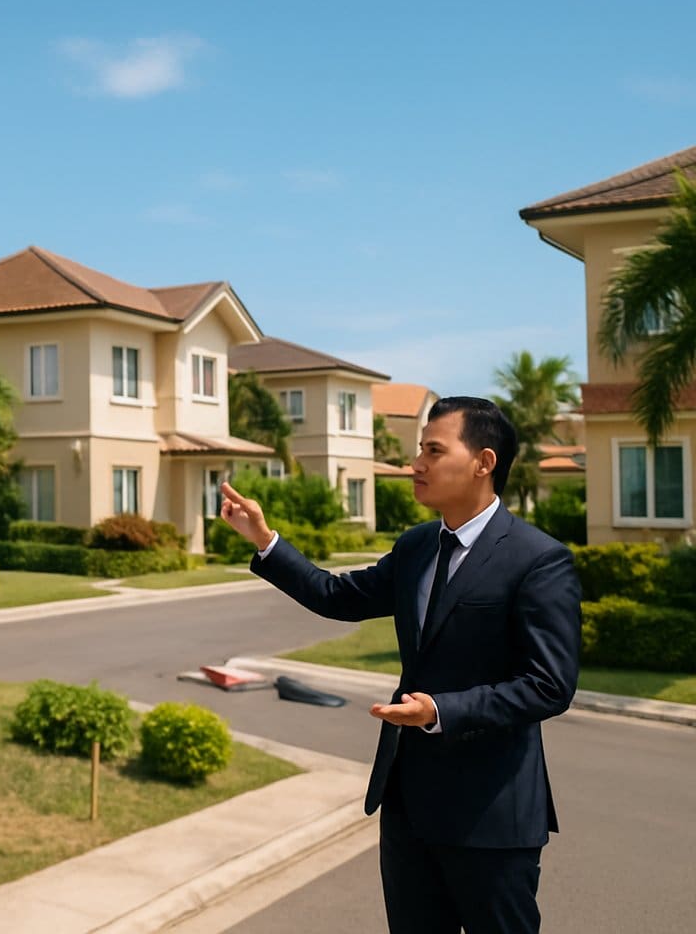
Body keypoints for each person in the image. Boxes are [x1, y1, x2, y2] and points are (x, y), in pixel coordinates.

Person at [218, 396, 580, 934]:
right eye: (419, 451)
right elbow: (338, 596)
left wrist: (442, 710)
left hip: (492, 819)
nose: (417, 464)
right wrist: (266, 543)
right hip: (409, 810)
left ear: (484, 462)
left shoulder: (538, 559)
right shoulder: (416, 547)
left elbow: (549, 685)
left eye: (434, 451)